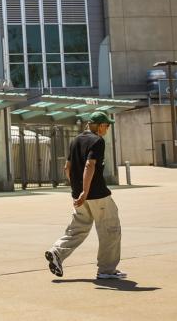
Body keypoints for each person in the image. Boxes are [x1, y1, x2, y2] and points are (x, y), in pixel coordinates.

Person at [44, 111, 125, 280]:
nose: (108, 129)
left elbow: (67, 168)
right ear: (100, 125)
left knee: (78, 229)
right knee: (111, 230)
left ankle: (56, 252)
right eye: (107, 125)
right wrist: (85, 191)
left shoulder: (75, 141)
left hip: (80, 196)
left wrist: (78, 191)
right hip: (97, 195)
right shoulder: (97, 141)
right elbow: (90, 164)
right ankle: (106, 270)